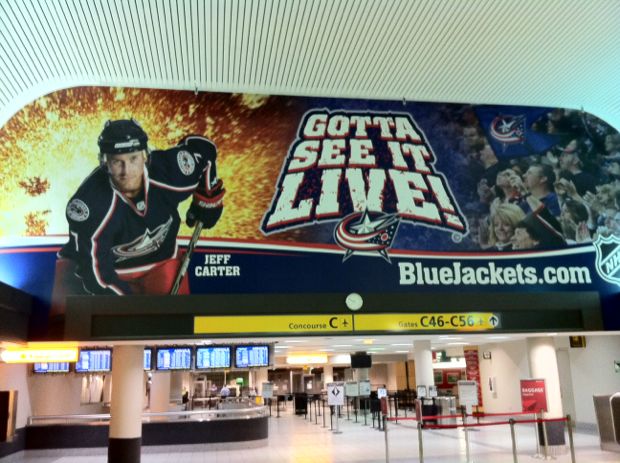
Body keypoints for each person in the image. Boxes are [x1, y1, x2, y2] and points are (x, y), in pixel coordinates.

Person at [55, 119, 225, 297]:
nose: (126, 171)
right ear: (104, 163)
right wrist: (130, 306)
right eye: (117, 161)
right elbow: (96, 276)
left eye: (133, 158)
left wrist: (208, 196)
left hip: (160, 262)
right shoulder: (89, 205)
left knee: (177, 313)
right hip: (102, 269)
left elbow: (204, 149)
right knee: (71, 306)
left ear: (145, 156)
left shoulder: (170, 172)